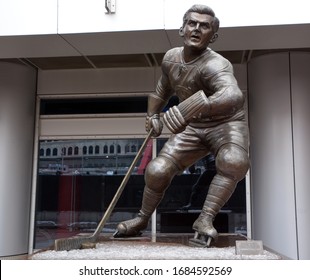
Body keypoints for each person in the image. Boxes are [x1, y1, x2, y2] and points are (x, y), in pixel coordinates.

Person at [114, 4, 250, 247]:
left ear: (213, 36)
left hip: (225, 123)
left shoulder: (216, 65)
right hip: (193, 126)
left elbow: (233, 95)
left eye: (204, 26)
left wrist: (195, 107)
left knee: (234, 161)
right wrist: (152, 116)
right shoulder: (171, 58)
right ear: (182, 29)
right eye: (192, 23)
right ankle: (142, 219)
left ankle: (204, 220)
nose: (197, 29)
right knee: (157, 170)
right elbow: (160, 92)